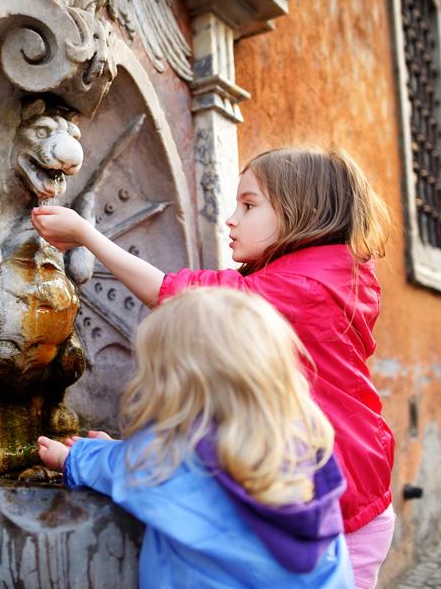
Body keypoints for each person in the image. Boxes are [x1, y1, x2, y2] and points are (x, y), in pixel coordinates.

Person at [32, 147, 394, 587]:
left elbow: (176, 292)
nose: (232, 218)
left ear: (303, 212)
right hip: (345, 482)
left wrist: (88, 236)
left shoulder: (301, 287)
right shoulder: (335, 274)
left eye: (249, 204)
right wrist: (124, 454)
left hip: (340, 506)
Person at [36, 288, 351, 587]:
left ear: (175, 386)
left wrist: (73, 457)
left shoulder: (165, 458)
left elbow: (126, 467)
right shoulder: (303, 449)